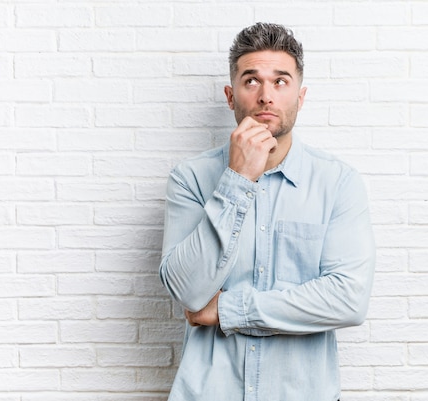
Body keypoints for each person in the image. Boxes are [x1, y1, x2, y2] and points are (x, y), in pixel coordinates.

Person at [159, 22, 375, 401]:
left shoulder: (338, 182)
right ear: (230, 95)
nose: (265, 96)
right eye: (251, 81)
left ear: (300, 96)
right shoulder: (189, 179)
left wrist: (228, 308)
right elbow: (188, 291)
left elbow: (348, 299)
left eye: (280, 81)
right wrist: (238, 179)